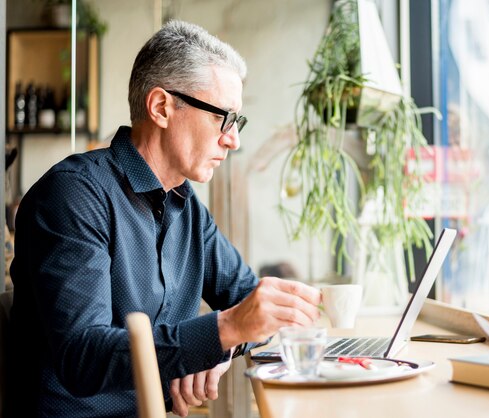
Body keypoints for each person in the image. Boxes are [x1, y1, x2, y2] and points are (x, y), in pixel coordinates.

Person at [6, 20, 321, 418]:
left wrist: (217, 349)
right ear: (161, 107)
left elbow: (248, 302)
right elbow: (83, 357)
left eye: (236, 121)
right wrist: (221, 332)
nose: (233, 139)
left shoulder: (188, 209)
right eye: (223, 117)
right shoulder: (74, 195)